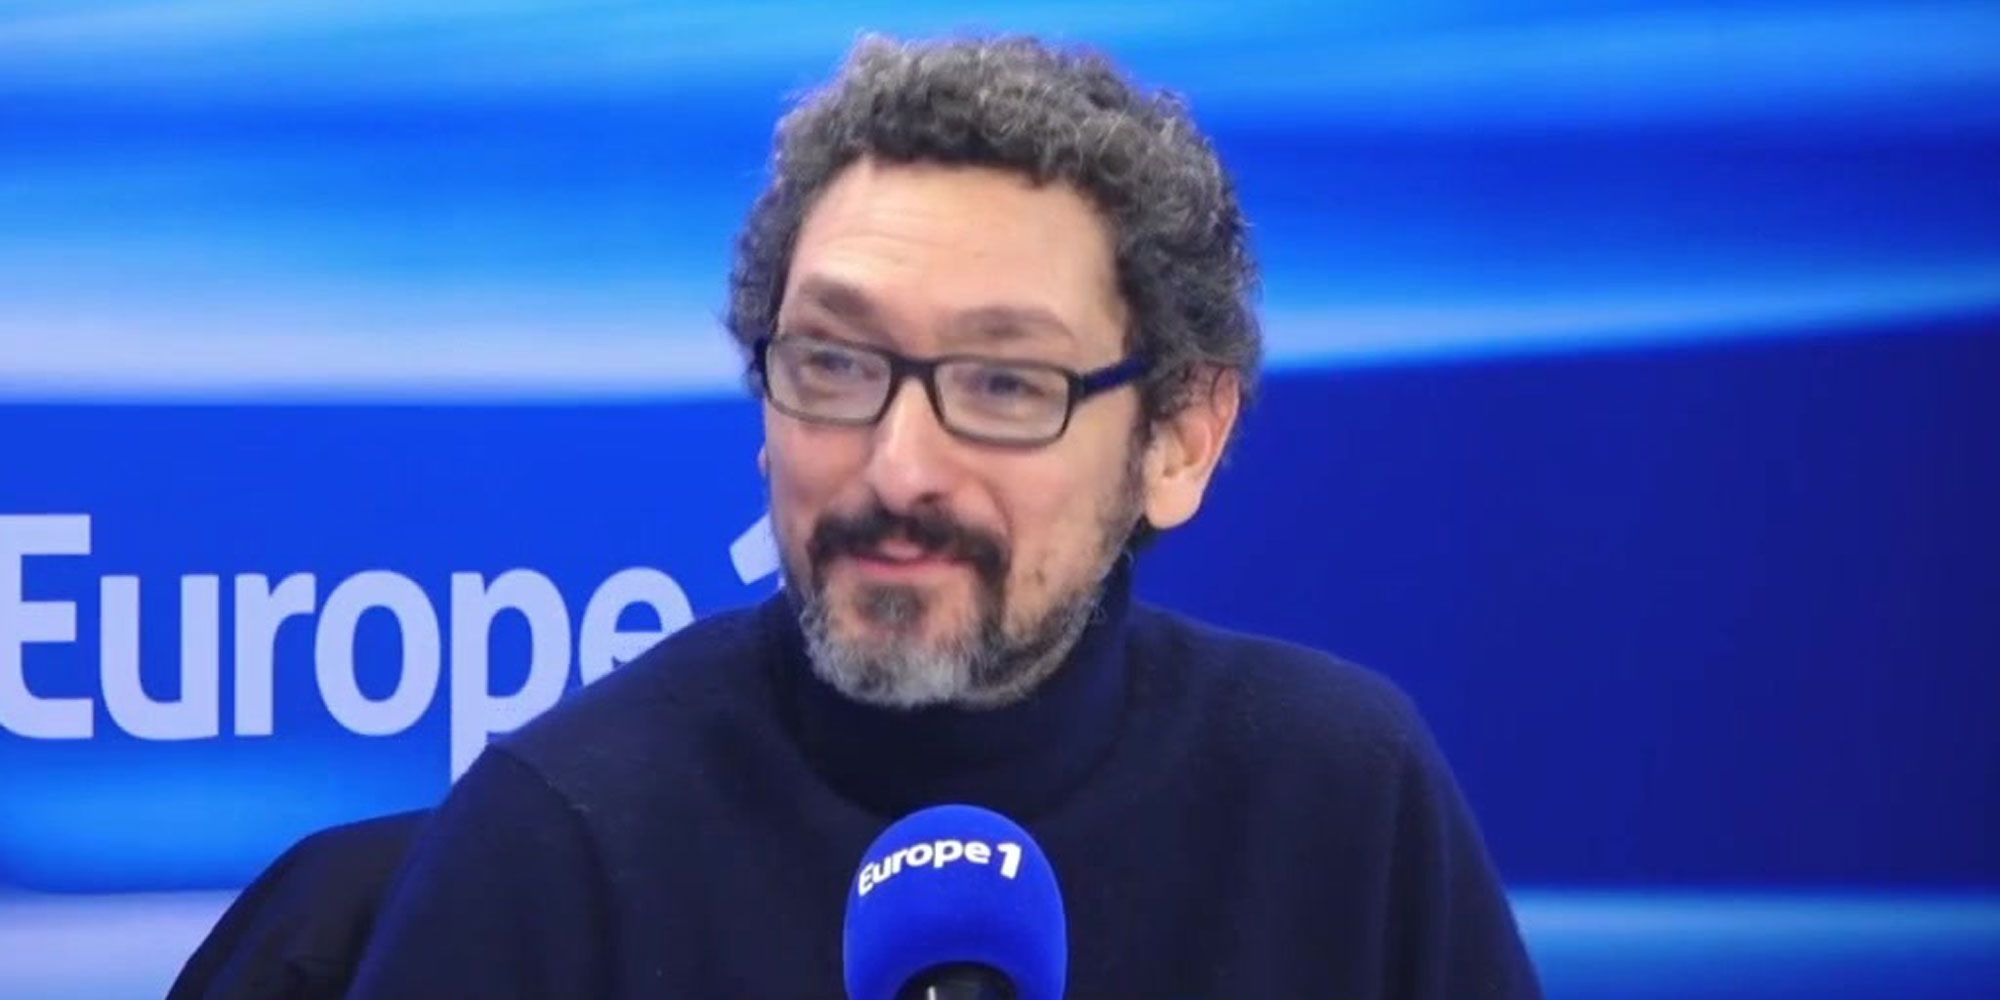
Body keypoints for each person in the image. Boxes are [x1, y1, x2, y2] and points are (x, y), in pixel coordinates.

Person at [345, 35, 1541, 998]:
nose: (898, 467)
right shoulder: (560, 836)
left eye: (1004, 383)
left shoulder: (1340, 799)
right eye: (833, 363)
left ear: (1179, 438)